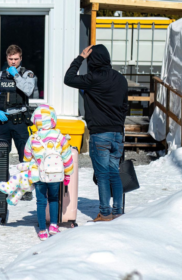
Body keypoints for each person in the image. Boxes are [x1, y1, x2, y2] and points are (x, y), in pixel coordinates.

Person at [64, 44, 128, 222]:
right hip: (117, 133)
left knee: (102, 175)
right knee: (114, 172)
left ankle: (105, 213)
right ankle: (117, 211)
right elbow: (125, 107)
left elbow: (68, 79)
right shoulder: (121, 79)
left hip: (100, 133)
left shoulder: (92, 78)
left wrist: (80, 58)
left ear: (92, 60)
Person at [0, 44, 38, 201]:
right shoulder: (0, 75)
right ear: (7, 58)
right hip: (3, 121)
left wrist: (16, 76)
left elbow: (28, 91)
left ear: (21, 58)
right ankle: (4, 186)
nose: (13, 62)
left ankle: (27, 189)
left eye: (16, 59)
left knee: (25, 155)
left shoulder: (27, 74)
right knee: (0, 155)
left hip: (20, 121)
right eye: (10, 59)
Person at [23, 104, 74, 240]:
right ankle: (53, 226)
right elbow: (67, 156)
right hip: (55, 175)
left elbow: (27, 157)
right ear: (52, 120)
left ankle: (42, 230)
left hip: (39, 175)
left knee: (41, 201)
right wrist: (68, 173)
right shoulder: (60, 137)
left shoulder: (33, 138)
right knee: (53, 199)